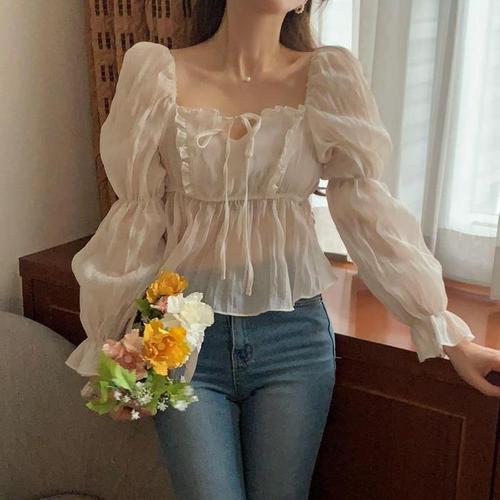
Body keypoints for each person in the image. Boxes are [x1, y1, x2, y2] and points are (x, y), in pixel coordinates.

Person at [65, 0, 500, 498]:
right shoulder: (156, 72)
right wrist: (111, 344)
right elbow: (136, 219)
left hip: (293, 339)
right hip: (178, 336)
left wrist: (445, 332)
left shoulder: (327, 77)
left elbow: (367, 210)